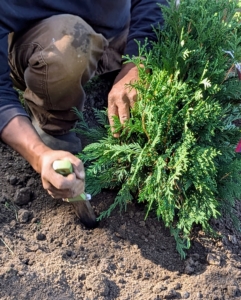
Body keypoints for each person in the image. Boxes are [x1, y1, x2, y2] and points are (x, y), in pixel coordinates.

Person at [0, 0, 166, 200]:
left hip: (115, 29)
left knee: (174, 22)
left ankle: (107, 71)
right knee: (72, 43)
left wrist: (137, 62)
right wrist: (40, 155)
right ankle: (53, 119)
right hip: (44, 44)